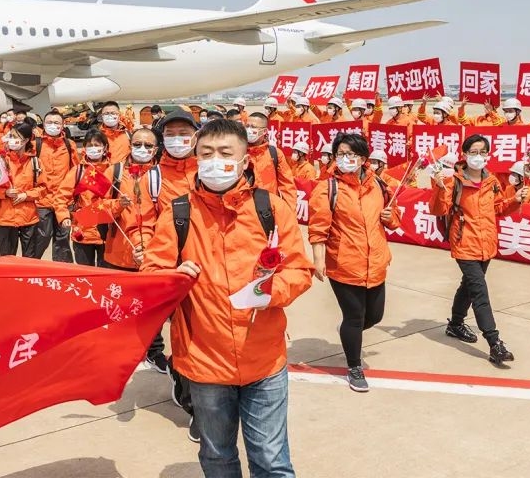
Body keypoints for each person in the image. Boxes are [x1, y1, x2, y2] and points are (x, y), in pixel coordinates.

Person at [141, 118, 312, 474]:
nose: (215, 160)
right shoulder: (178, 213)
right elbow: (151, 276)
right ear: (195, 158)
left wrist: (269, 293)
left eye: (225, 153)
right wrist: (172, 278)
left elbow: (299, 270)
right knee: (217, 456)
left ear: (246, 160)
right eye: (206, 153)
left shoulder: (271, 209)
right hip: (204, 362)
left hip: (264, 359)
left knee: (271, 460)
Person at [309, 133, 401, 392]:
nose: (346, 159)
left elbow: (394, 221)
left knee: (375, 316)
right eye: (341, 154)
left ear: (363, 158)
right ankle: (354, 366)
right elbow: (318, 227)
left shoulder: (379, 185)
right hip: (344, 264)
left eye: (352, 154)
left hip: (376, 262)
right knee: (354, 317)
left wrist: (390, 216)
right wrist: (318, 259)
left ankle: (350, 332)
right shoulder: (328, 188)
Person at [429, 134, 514, 365]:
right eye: (473, 152)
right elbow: (438, 209)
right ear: (464, 155)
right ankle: (495, 343)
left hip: (486, 244)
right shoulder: (453, 181)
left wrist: (516, 199)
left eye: (483, 152)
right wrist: (437, 187)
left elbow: (500, 209)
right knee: (479, 292)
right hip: (464, 243)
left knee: (468, 286)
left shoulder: (492, 181)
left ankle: (455, 324)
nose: (479, 157)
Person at [102, 128, 168, 374]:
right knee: (117, 305)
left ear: (156, 148)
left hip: (150, 254)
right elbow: (95, 207)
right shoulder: (115, 172)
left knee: (152, 308)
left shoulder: (162, 175)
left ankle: (153, 351)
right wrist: (117, 205)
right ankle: (120, 350)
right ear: (130, 145)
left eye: (148, 146)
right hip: (118, 252)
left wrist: (149, 248)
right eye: (138, 144)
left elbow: (169, 216)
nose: (143, 149)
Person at [0, 123, 50, 257]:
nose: (11, 139)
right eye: (10, 135)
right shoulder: (2, 161)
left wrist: (26, 195)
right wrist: (4, 193)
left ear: (26, 140)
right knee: (6, 258)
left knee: (30, 258)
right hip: (6, 217)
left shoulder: (35, 162)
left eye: (15, 136)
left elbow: (43, 188)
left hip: (28, 217)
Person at [30, 110, 76, 263]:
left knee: (63, 241)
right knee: (40, 238)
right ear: (43, 125)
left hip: (64, 202)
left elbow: (77, 170)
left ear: (63, 125)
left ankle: (62, 273)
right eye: (49, 122)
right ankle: (31, 269)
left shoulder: (70, 145)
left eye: (57, 123)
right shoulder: (36, 144)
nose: (53, 125)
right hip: (42, 201)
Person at [70, 130, 111, 267]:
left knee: (105, 277)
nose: (93, 148)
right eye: (89, 145)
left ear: (105, 147)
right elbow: (61, 196)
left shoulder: (114, 171)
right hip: (83, 232)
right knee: (84, 276)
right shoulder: (78, 171)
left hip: (107, 234)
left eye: (97, 145)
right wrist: (64, 217)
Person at [245, 112, 297, 209]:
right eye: (247, 126)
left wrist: (289, 216)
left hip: (268, 210)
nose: (249, 130)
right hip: (244, 210)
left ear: (264, 131)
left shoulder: (275, 153)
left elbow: (287, 187)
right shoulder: (238, 153)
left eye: (253, 127)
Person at [154, 108, 200, 209]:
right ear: (163, 137)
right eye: (170, 134)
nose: (176, 139)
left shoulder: (208, 171)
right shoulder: (153, 177)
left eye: (183, 134)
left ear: (196, 136)